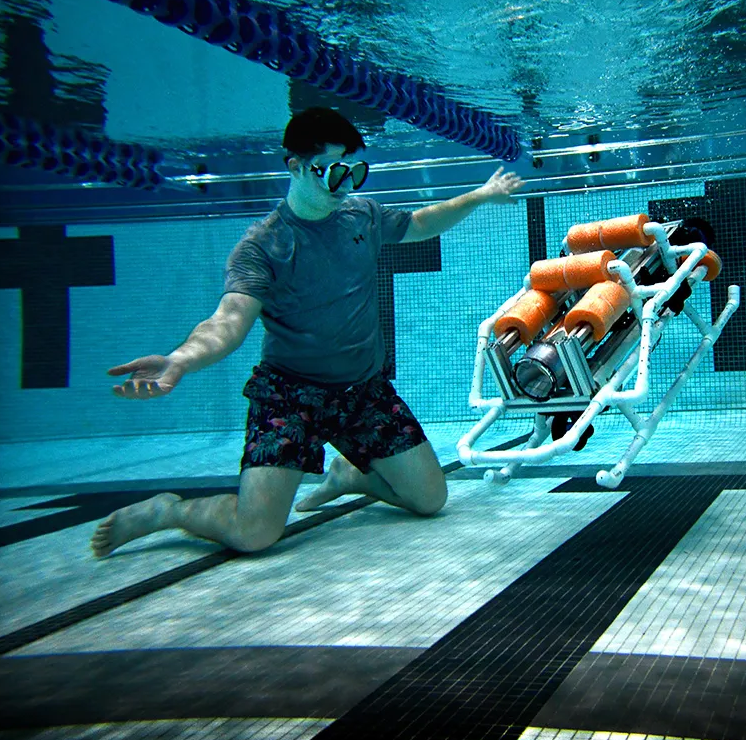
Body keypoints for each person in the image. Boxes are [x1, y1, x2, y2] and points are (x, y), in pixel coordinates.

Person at [91, 107, 524, 558]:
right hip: (291, 397)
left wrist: (481, 195)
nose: (346, 186)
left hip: (364, 392)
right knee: (254, 533)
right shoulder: (263, 247)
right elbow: (229, 321)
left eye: (354, 172)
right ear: (295, 166)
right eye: (332, 172)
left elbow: (419, 223)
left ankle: (350, 476)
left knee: (431, 500)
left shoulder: (361, 217)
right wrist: (180, 359)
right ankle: (169, 512)